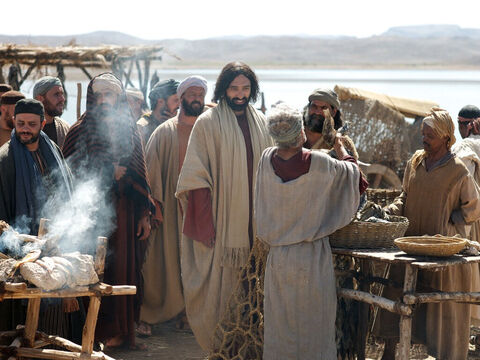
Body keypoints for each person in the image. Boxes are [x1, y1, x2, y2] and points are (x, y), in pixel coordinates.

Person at [175, 61, 273, 350]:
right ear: (223, 89)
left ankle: (251, 346)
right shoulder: (208, 123)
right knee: (223, 291)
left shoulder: (261, 121)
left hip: (257, 226)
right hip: (222, 225)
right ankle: (222, 347)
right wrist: (205, 227)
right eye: (234, 88)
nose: (240, 94)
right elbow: (195, 177)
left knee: (256, 290)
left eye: (245, 88)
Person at [254, 105, 362, 360]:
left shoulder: (266, 159)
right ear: (301, 133)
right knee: (314, 325)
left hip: (278, 258)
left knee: (281, 325)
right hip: (311, 256)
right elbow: (354, 177)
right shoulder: (319, 163)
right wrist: (339, 145)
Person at [375, 108, 480, 360]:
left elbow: (473, 206)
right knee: (397, 295)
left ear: (445, 137)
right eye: (423, 134)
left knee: (437, 308)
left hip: (438, 251)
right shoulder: (416, 163)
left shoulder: (458, 171)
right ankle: (389, 354)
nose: (424, 139)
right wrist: (391, 210)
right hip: (409, 245)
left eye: (430, 135)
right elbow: (405, 195)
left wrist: (452, 221)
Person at [62, 72, 154, 349]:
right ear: (92, 98)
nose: (104, 100)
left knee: (124, 270)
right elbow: (68, 176)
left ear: (118, 98)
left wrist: (144, 216)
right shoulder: (79, 130)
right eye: (99, 95)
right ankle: (94, 331)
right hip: (90, 218)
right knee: (95, 272)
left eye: (109, 95)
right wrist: (106, 173)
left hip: (125, 214)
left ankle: (123, 331)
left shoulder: (130, 130)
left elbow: (141, 176)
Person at [0, 99, 83, 341]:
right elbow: (4, 213)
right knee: (26, 320)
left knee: (60, 322)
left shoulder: (53, 151)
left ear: (42, 124)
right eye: (21, 123)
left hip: (59, 239)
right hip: (23, 249)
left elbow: (67, 193)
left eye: (32, 124)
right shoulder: (5, 160)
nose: (25, 129)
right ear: (14, 122)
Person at [138, 75, 208, 336]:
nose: (196, 98)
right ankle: (158, 312)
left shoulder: (209, 130)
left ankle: (192, 315)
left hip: (201, 209)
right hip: (169, 207)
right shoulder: (164, 132)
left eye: (200, 94)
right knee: (165, 262)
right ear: (181, 98)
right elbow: (151, 171)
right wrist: (152, 207)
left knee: (199, 265)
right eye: (191, 94)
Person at [137, 79, 179, 145]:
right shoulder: (142, 127)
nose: (179, 104)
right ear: (160, 102)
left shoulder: (177, 124)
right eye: (176, 100)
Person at [32, 76, 70, 149]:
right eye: (56, 94)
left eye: (62, 94)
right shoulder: (26, 128)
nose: (62, 99)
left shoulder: (64, 128)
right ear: (40, 98)